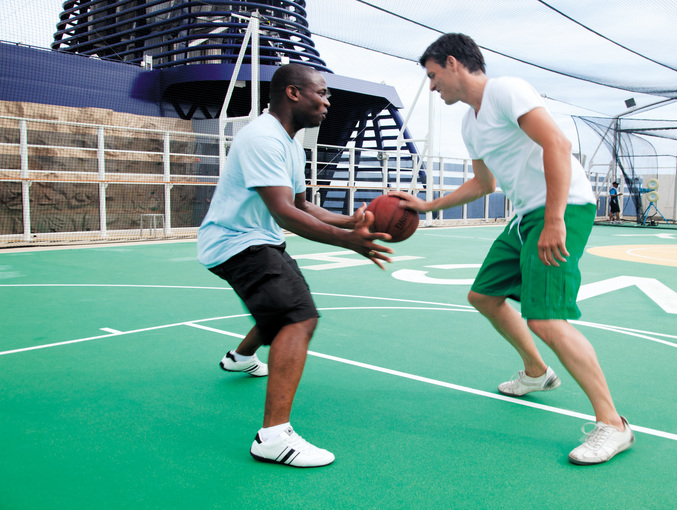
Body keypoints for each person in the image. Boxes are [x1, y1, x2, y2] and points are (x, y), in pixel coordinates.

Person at [391, 33, 634, 465]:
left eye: (432, 76)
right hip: (524, 216)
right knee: (483, 295)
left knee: (545, 319)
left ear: (453, 63)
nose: (431, 86)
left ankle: (613, 425)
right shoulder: (469, 122)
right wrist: (427, 206)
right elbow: (483, 185)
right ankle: (537, 374)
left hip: (562, 207)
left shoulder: (507, 90)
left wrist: (555, 218)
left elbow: (557, 144)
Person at [197, 63, 393, 468]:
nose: (326, 102)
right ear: (292, 93)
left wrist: (350, 221)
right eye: (321, 93)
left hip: (260, 238)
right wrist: (348, 241)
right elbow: (285, 213)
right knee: (296, 318)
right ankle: (273, 437)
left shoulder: (290, 144)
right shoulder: (262, 139)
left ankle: (240, 358)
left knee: (285, 303)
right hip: (236, 242)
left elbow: (303, 205)